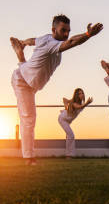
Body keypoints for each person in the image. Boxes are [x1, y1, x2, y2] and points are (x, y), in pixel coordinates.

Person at [9, 14, 103, 165]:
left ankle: (20, 55)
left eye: (68, 31)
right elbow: (72, 42)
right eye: (63, 30)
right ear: (54, 30)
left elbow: (34, 40)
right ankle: (29, 158)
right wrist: (88, 34)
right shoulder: (51, 43)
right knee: (29, 118)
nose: (66, 34)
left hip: (31, 81)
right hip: (22, 82)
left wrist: (24, 42)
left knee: (30, 73)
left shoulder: (45, 38)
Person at [58, 88, 93, 159]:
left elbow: (81, 105)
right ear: (77, 95)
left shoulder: (80, 103)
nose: (82, 94)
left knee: (69, 136)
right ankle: (68, 155)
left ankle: (69, 154)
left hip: (68, 121)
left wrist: (85, 103)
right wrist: (66, 107)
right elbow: (78, 106)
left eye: (82, 93)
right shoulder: (74, 103)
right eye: (80, 93)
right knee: (71, 135)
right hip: (63, 119)